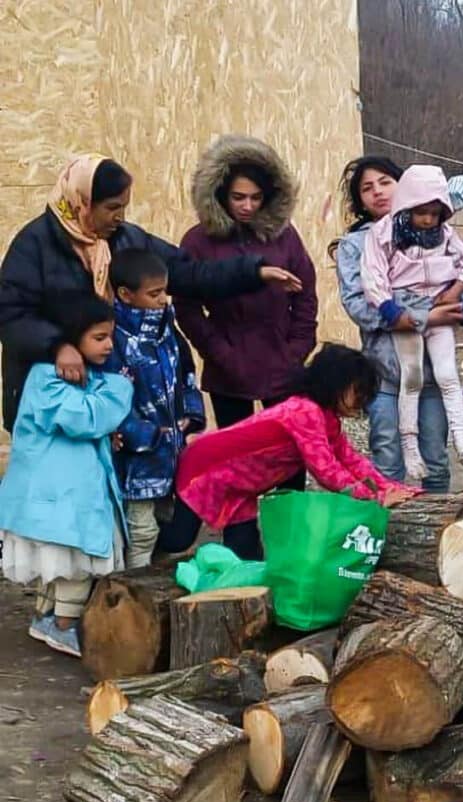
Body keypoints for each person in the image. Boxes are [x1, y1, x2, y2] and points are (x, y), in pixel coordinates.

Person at [0, 154, 302, 433]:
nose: (120, 216)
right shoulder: (35, 245)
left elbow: (189, 273)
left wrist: (252, 272)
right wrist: (57, 346)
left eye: (124, 207)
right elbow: (11, 314)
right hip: (54, 389)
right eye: (111, 208)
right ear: (83, 202)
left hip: (111, 387)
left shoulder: (126, 239)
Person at [158, 345, 416, 561]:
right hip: (207, 468)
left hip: (239, 487)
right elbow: (327, 472)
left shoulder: (327, 419)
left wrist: (394, 489)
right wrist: (375, 497)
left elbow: (351, 460)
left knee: (246, 554)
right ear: (334, 384)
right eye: (357, 393)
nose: (362, 401)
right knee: (178, 539)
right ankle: (141, 542)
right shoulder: (304, 413)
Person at [0, 294, 133, 657]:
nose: (109, 345)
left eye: (110, 337)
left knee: (58, 565)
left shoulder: (77, 380)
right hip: (62, 499)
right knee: (73, 564)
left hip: (65, 497)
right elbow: (89, 418)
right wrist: (122, 388)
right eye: (99, 338)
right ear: (72, 340)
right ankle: (63, 626)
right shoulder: (47, 380)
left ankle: (45, 617)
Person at [176, 136, 318, 440]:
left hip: (282, 362)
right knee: (236, 457)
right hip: (227, 369)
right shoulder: (198, 241)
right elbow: (186, 306)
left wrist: (297, 349)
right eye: (238, 197)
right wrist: (219, 353)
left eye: (255, 197)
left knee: (286, 452)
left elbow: (306, 292)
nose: (247, 206)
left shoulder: (284, 236)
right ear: (220, 193)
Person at [333, 156, 462, 492]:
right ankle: (390, 534)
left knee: (435, 457)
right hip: (385, 372)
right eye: (367, 188)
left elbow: (459, 285)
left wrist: (455, 296)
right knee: (387, 458)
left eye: (385, 182)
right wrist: (424, 318)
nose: (377, 192)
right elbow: (358, 306)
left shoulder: (437, 233)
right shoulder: (355, 245)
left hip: (431, 370)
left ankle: (433, 532)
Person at [360, 164, 463, 480]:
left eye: (434, 212)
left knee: (448, 375)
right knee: (410, 378)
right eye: (420, 211)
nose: (427, 220)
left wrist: (455, 290)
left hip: (440, 305)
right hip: (404, 309)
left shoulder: (445, 235)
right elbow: (373, 275)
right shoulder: (385, 233)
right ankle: (410, 448)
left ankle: (460, 437)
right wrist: (393, 312)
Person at [104, 248, 205, 569]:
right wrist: (144, 434)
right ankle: (133, 589)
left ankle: (154, 592)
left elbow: (186, 372)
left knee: (167, 520)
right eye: (154, 293)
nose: (163, 300)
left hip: (171, 445)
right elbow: (111, 399)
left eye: (165, 291)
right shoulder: (114, 339)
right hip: (137, 457)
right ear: (125, 294)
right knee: (142, 529)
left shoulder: (167, 330)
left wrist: (191, 414)